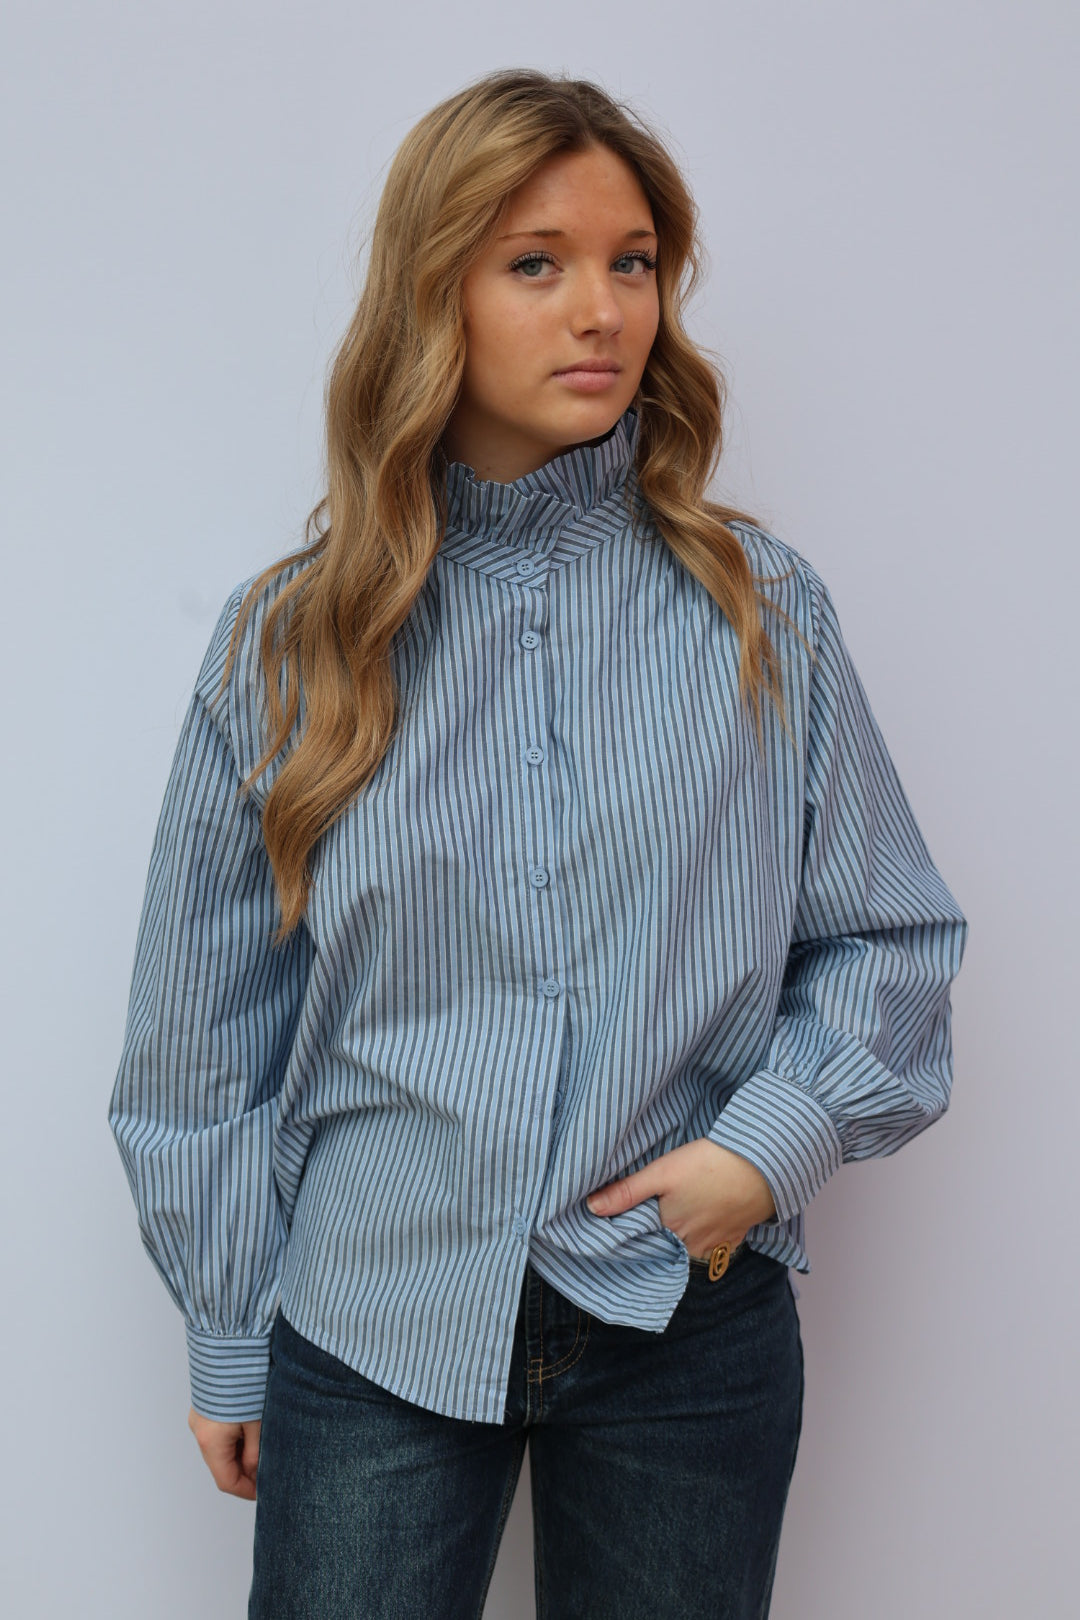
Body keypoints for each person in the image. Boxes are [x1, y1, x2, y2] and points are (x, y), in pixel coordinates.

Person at [108, 67, 969, 1620]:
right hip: (373, 1326)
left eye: (632, 262)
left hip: (686, 1328)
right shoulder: (291, 644)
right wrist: (229, 1330)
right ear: (432, 291)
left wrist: (762, 1152)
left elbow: (889, 939)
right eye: (535, 262)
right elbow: (198, 1034)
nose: (602, 310)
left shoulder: (763, 615)